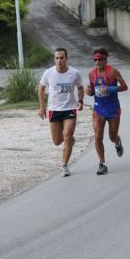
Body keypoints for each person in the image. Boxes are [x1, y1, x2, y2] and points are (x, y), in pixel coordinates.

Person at [38, 47, 84, 177]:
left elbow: (80, 88)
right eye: (57, 58)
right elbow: (41, 88)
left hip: (69, 109)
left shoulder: (74, 73)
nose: (59, 60)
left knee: (68, 135)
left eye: (61, 58)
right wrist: (42, 107)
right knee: (57, 141)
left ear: (66, 58)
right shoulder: (49, 73)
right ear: (55, 59)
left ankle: (64, 165)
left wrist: (80, 100)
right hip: (54, 109)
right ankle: (69, 140)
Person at [86, 47, 128, 175]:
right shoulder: (92, 73)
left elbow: (125, 87)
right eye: (95, 60)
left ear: (106, 60)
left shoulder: (113, 72)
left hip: (113, 108)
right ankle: (102, 163)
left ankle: (117, 142)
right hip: (98, 108)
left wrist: (110, 89)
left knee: (112, 136)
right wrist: (89, 92)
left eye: (100, 59)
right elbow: (92, 89)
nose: (97, 62)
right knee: (98, 136)